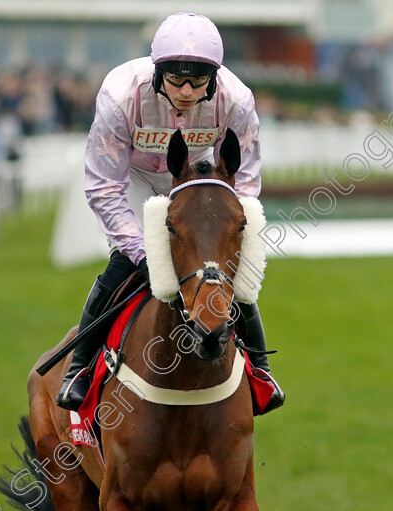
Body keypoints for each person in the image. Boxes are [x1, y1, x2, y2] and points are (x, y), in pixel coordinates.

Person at [56, 12, 285, 414]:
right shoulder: (119, 95)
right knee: (124, 264)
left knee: (230, 271)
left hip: (196, 179)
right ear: (157, 70)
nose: (185, 90)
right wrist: (147, 254)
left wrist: (233, 236)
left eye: (198, 80)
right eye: (176, 78)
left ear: (214, 77)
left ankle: (261, 371)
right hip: (132, 179)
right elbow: (104, 187)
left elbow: (245, 182)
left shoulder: (236, 99)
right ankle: (79, 367)